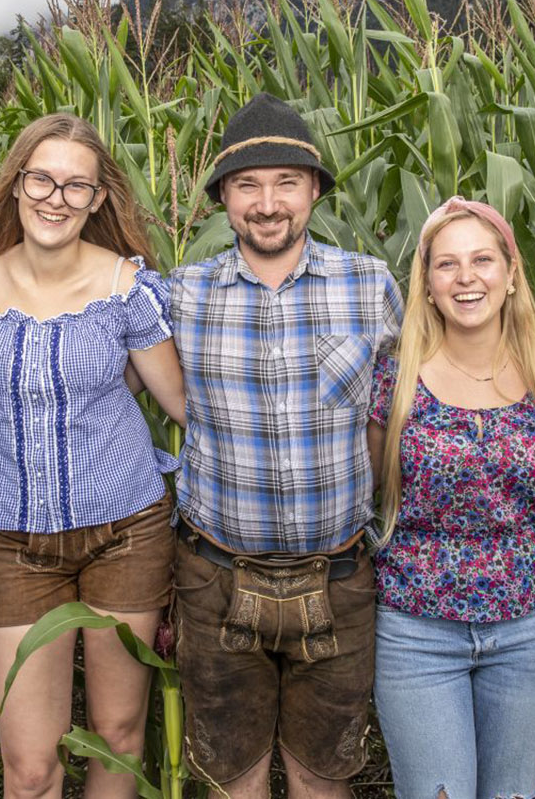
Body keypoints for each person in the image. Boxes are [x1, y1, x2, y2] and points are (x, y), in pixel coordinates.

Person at [169, 93, 403, 798]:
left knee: (323, 778)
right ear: (221, 198)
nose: (267, 203)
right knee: (229, 777)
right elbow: (104, 391)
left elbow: (405, 413)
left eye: (286, 183)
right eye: (247, 185)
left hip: (338, 581)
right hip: (215, 580)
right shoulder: (181, 295)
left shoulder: (370, 285)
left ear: (316, 191)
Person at [0, 114, 186, 799]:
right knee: (29, 766)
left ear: (98, 199)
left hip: (127, 531)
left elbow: (184, 405)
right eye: (42, 178)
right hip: (19, 542)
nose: (56, 197)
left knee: (116, 737)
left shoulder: (126, 287)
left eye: (76, 185)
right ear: (17, 183)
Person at [366, 198, 535, 799]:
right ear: (426, 286)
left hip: (529, 624)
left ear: (511, 275)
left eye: (483, 260)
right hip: (416, 629)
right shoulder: (394, 379)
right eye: (446, 265)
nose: (466, 278)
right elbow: (368, 491)